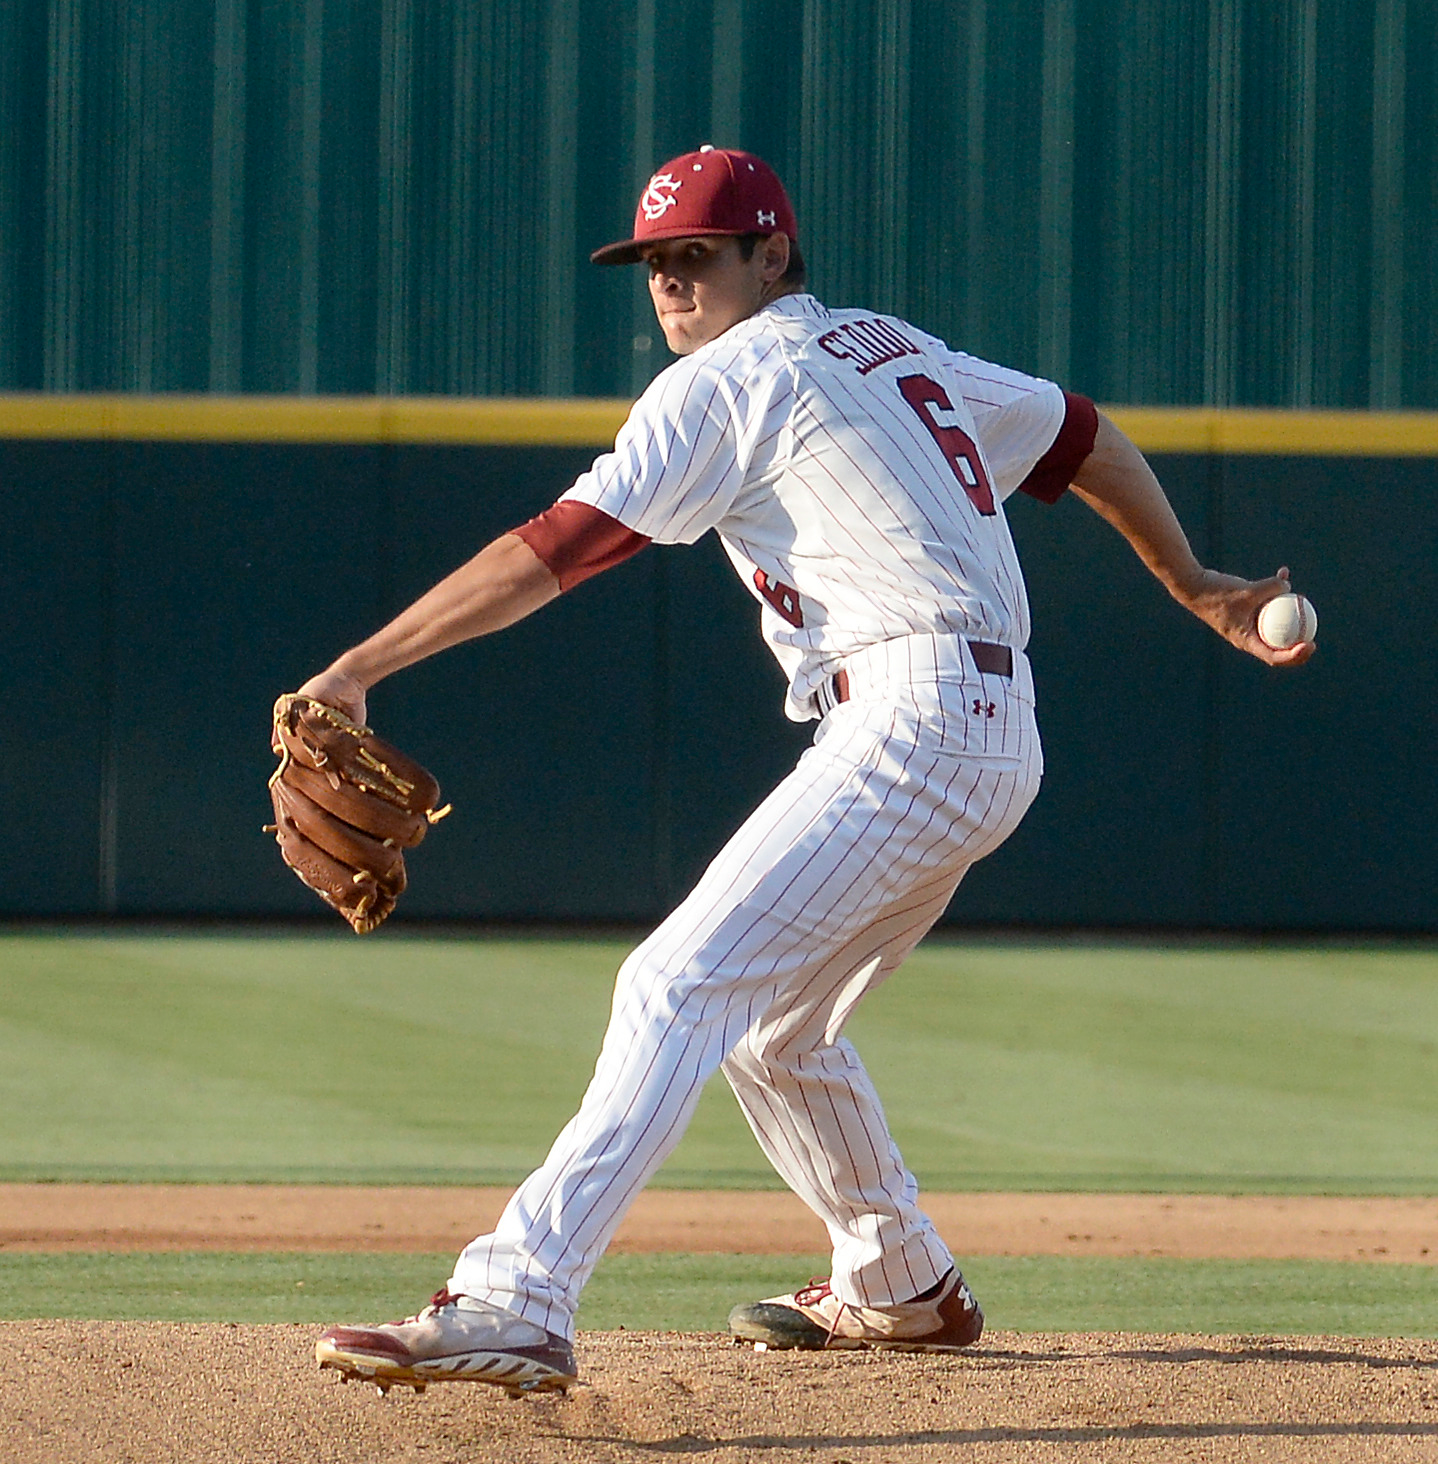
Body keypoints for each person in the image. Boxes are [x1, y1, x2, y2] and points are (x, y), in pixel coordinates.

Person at [306, 147, 1313, 1396]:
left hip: (914, 714)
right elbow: (1076, 433)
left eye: (698, 256)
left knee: (674, 985)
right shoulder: (892, 349)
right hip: (984, 729)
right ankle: (900, 1285)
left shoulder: (733, 376)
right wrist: (1189, 579)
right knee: (775, 1032)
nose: (672, 286)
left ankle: (516, 1298)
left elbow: (558, 548)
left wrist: (361, 665)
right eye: (654, 265)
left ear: (771, 254)